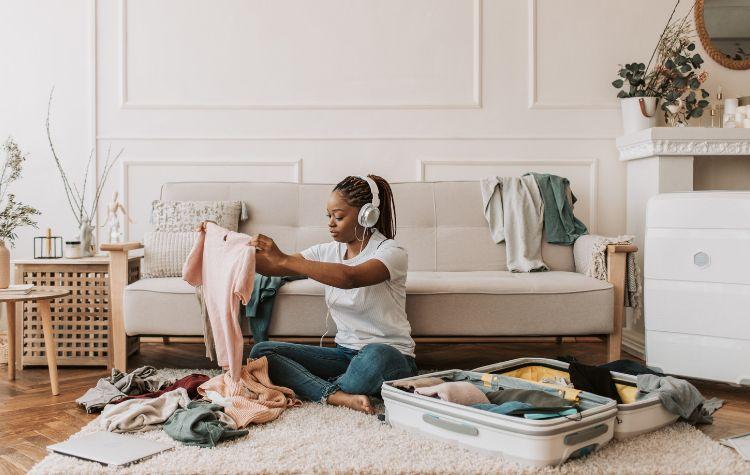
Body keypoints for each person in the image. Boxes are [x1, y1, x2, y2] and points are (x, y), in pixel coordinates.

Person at [249, 175, 416, 414]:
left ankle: (317, 386)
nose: (331, 223)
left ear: (365, 215)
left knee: (374, 354)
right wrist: (227, 245)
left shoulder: (391, 252)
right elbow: (273, 267)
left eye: (338, 217)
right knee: (262, 352)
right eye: (328, 216)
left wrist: (284, 258)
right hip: (344, 354)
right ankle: (339, 395)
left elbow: (350, 277)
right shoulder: (325, 251)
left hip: (390, 356)